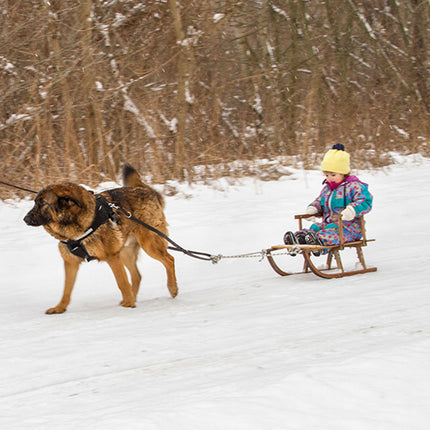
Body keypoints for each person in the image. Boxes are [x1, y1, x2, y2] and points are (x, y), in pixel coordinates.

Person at [284, 143, 373, 256]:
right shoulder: (327, 189)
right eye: (326, 175)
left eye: (333, 175)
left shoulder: (354, 186)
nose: (329, 178)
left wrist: (352, 210)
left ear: (344, 173)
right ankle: (299, 241)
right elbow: (320, 201)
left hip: (349, 227)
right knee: (315, 228)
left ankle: (318, 244)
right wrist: (313, 208)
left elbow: (366, 201)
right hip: (329, 224)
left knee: (330, 233)